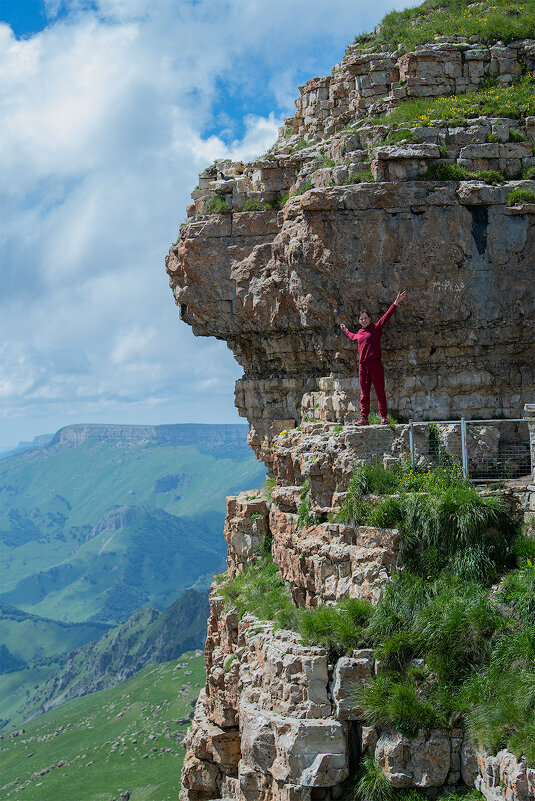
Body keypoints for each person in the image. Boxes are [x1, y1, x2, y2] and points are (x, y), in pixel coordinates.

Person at [339, 291, 407, 426]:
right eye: (361, 319)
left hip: (375, 364)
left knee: (380, 390)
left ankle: (384, 417)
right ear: (359, 321)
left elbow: (386, 317)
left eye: (365, 318)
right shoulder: (359, 333)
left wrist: (396, 302)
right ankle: (364, 418)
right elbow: (352, 336)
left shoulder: (376, 328)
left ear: (369, 319)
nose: (363, 320)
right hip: (363, 366)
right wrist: (345, 330)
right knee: (364, 394)